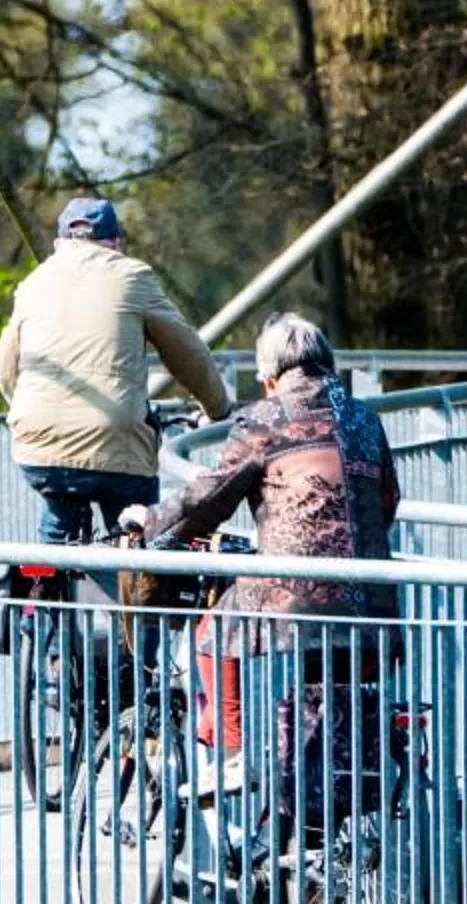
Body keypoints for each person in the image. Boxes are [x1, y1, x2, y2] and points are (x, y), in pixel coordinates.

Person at [122, 312, 403, 864]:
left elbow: (210, 496)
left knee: (211, 632)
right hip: (373, 595)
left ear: (271, 376)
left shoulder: (265, 419)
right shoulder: (367, 419)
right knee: (327, 692)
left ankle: (230, 749)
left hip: (296, 591)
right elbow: (388, 499)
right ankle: (294, 828)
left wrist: (151, 521)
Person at [0, 197, 233, 545]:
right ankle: (131, 584)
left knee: (58, 515)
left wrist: (29, 410)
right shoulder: (132, 276)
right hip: (114, 441)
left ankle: (45, 591)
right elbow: (187, 353)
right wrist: (218, 409)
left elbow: (6, 366)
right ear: (116, 242)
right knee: (135, 532)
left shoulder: (33, 282)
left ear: (59, 242)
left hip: (36, 441)